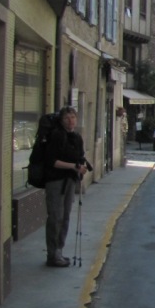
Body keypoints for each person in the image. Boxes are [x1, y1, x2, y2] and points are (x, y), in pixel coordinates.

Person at [43, 106, 89, 267]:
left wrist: (81, 166)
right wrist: (73, 167)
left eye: (73, 117)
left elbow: (80, 156)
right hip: (55, 181)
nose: (70, 121)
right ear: (61, 121)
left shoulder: (76, 137)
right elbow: (52, 161)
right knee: (56, 217)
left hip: (70, 181)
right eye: (67, 118)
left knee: (65, 217)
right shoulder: (57, 136)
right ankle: (52, 254)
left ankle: (59, 251)